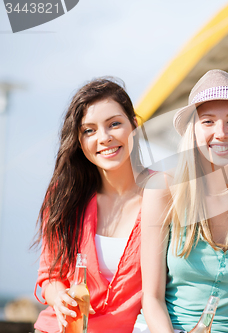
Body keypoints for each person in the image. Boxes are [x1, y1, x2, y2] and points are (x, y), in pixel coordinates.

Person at [139, 69, 228, 333]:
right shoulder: (163, 189)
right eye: (208, 121)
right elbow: (151, 298)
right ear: (192, 131)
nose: (221, 132)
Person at [33, 78, 146, 333]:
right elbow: (50, 275)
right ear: (79, 140)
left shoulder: (161, 195)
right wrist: (59, 298)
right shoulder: (64, 196)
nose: (104, 138)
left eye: (114, 124)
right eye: (89, 130)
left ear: (134, 126)